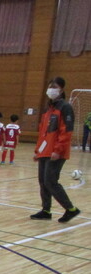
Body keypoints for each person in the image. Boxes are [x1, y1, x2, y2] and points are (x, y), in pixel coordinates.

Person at [30, 77, 81, 223]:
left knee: (50, 181)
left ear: (61, 89)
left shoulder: (65, 107)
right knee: (42, 181)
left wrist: (58, 150)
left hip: (57, 153)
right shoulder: (48, 108)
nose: (51, 89)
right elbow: (43, 132)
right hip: (45, 151)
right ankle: (46, 210)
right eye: (50, 86)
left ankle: (71, 209)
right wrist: (38, 151)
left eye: (54, 87)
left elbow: (66, 131)